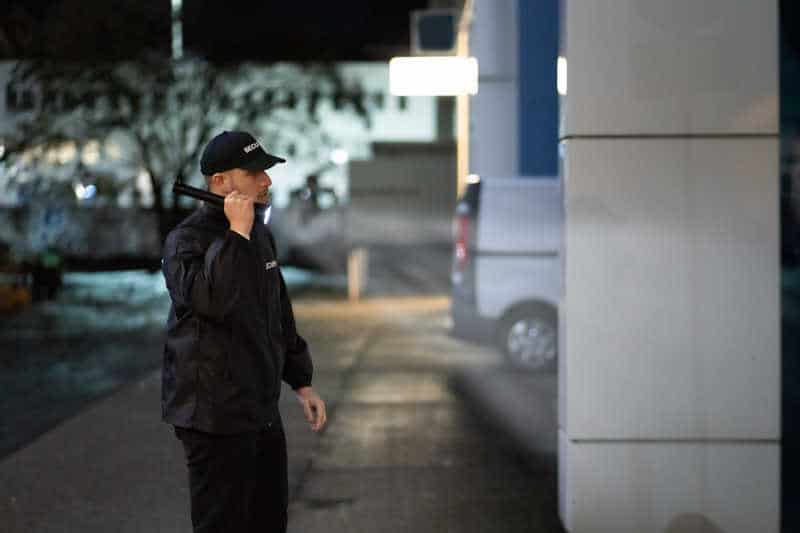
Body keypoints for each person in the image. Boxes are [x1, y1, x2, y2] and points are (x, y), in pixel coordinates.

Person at [161, 130, 327, 533]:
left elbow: (276, 312)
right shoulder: (185, 242)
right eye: (254, 172)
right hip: (214, 416)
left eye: (266, 171)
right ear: (220, 182)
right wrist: (235, 234)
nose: (266, 181)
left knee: (269, 521)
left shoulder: (259, 235)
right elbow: (213, 301)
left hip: (259, 408)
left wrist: (301, 381)